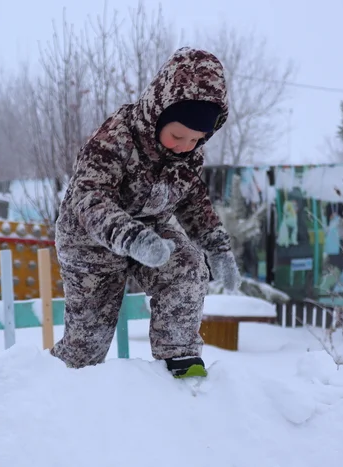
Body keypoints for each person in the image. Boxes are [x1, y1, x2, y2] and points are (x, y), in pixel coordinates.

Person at [49, 46, 242, 378]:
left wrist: (217, 247)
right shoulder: (116, 138)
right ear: (159, 114)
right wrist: (131, 237)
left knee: (187, 266)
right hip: (90, 240)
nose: (185, 146)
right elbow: (88, 198)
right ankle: (44, 386)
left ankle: (178, 357)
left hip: (151, 229)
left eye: (197, 139)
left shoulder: (189, 154)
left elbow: (193, 200)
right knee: (86, 349)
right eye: (178, 135)